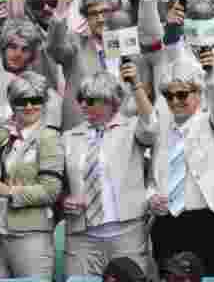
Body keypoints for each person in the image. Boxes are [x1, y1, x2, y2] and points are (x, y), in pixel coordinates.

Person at [61, 68, 156, 277]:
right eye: (81, 99)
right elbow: (59, 184)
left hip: (127, 236)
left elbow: (151, 127)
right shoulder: (69, 137)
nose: (84, 105)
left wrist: (136, 86)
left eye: (91, 100)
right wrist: (64, 199)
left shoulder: (132, 129)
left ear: (110, 102)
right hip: (81, 238)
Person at [149, 52, 214, 277]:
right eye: (169, 96)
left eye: (182, 94)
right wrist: (152, 198)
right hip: (166, 223)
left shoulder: (212, 123)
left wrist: (211, 74)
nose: (175, 101)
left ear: (198, 93)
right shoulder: (160, 131)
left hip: (203, 222)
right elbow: (151, 179)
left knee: (209, 278)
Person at [0, 72, 63, 278]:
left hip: (30, 235)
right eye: (22, 101)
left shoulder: (49, 137)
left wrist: (9, 191)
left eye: (36, 100)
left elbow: (51, 191)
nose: (29, 106)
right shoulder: (2, 134)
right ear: (13, 104)